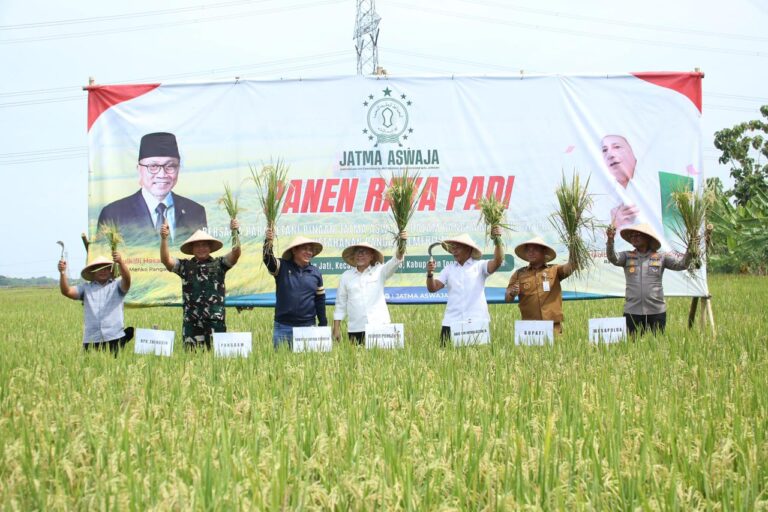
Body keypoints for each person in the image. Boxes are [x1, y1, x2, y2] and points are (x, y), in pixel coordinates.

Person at [98, 132, 207, 244]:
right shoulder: (113, 214)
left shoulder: (196, 211)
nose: (162, 174)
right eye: (153, 166)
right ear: (139, 169)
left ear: (178, 169)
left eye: (170, 166)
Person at [160, 218, 241, 350]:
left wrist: (235, 232)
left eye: (204, 245)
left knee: (217, 361)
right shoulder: (185, 266)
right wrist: (164, 239)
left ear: (210, 248)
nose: (201, 248)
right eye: (197, 245)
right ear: (192, 249)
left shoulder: (220, 264)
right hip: (192, 323)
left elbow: (236, 254)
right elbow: (166, 260)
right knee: (192, 360)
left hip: (215, 322)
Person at [606, 222, 691, 336]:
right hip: (632, 311)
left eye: (637, 235)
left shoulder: (661, 257)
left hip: (656, 311)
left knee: (656, 347)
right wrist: (610, 240)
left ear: (647, 238)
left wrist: (691, 248)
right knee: (633, 348)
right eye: (632, 236)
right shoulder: (626, 256)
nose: (634, 237)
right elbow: (612, 258)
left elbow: (682, 265)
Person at [426, 228, 504, 345]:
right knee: (446, 359)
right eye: (452, 248)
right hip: (452, 321)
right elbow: (433, 288)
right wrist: (430, 274)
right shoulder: (448, 269)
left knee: (478, 360)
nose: (454, 251)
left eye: (457, 247)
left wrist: (497, 241)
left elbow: (497, 261)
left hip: (476, 321)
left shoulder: (480, 266)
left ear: (468, 248)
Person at [332, 232, 407, 345]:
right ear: (354, 256)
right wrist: (336, 328)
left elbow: (395, 261)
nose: (360, 255)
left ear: (372, 256)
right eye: (358, 252)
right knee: (357, 361)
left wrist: (402, 243)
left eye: (364, 252)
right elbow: (340, 304)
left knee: (383, 361)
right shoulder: (346, 276)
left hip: (380, 326)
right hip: (356, 328)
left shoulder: (380, 271)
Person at [58, 251, 133, 354]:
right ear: (93, 272)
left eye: (106, 268)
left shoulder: (117, 286)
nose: (103, 271)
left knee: (114, 367)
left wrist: (121, 262)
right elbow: (66, 291)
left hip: (114, 336)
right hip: (92, 339)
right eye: (99, 269)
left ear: (111, 271)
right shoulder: (86, 288)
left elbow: (127, 280)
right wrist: (62, 273)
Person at [263, 228, 327, 350]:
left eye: (310, 250)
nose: (309, 252)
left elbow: (320, 301)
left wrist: (323, 324)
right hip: (283, 327)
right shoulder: (282, 266)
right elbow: (268, 260)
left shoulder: (316, 273)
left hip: (308, 328)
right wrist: (268, 241)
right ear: (294, 250)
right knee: (281, 365)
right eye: (305, 249)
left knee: (308, 366)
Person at [505, 237, 576, 335]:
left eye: (535, 249)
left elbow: (571, 266)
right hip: (529, 328)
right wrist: (512, 293)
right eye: (528, 250)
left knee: (555, 350)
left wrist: (574, 247)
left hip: (553, 326)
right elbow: (508, 298)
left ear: (544, 252)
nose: (531, 252)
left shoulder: (555, 270)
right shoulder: (519, 274)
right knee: (530, 351)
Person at [601, 134, 640, 229]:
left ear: (633, 153)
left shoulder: (656, 185)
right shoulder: (604, 198)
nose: (610, 155)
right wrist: (614, 226)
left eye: (617, 147)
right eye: (604, 150)